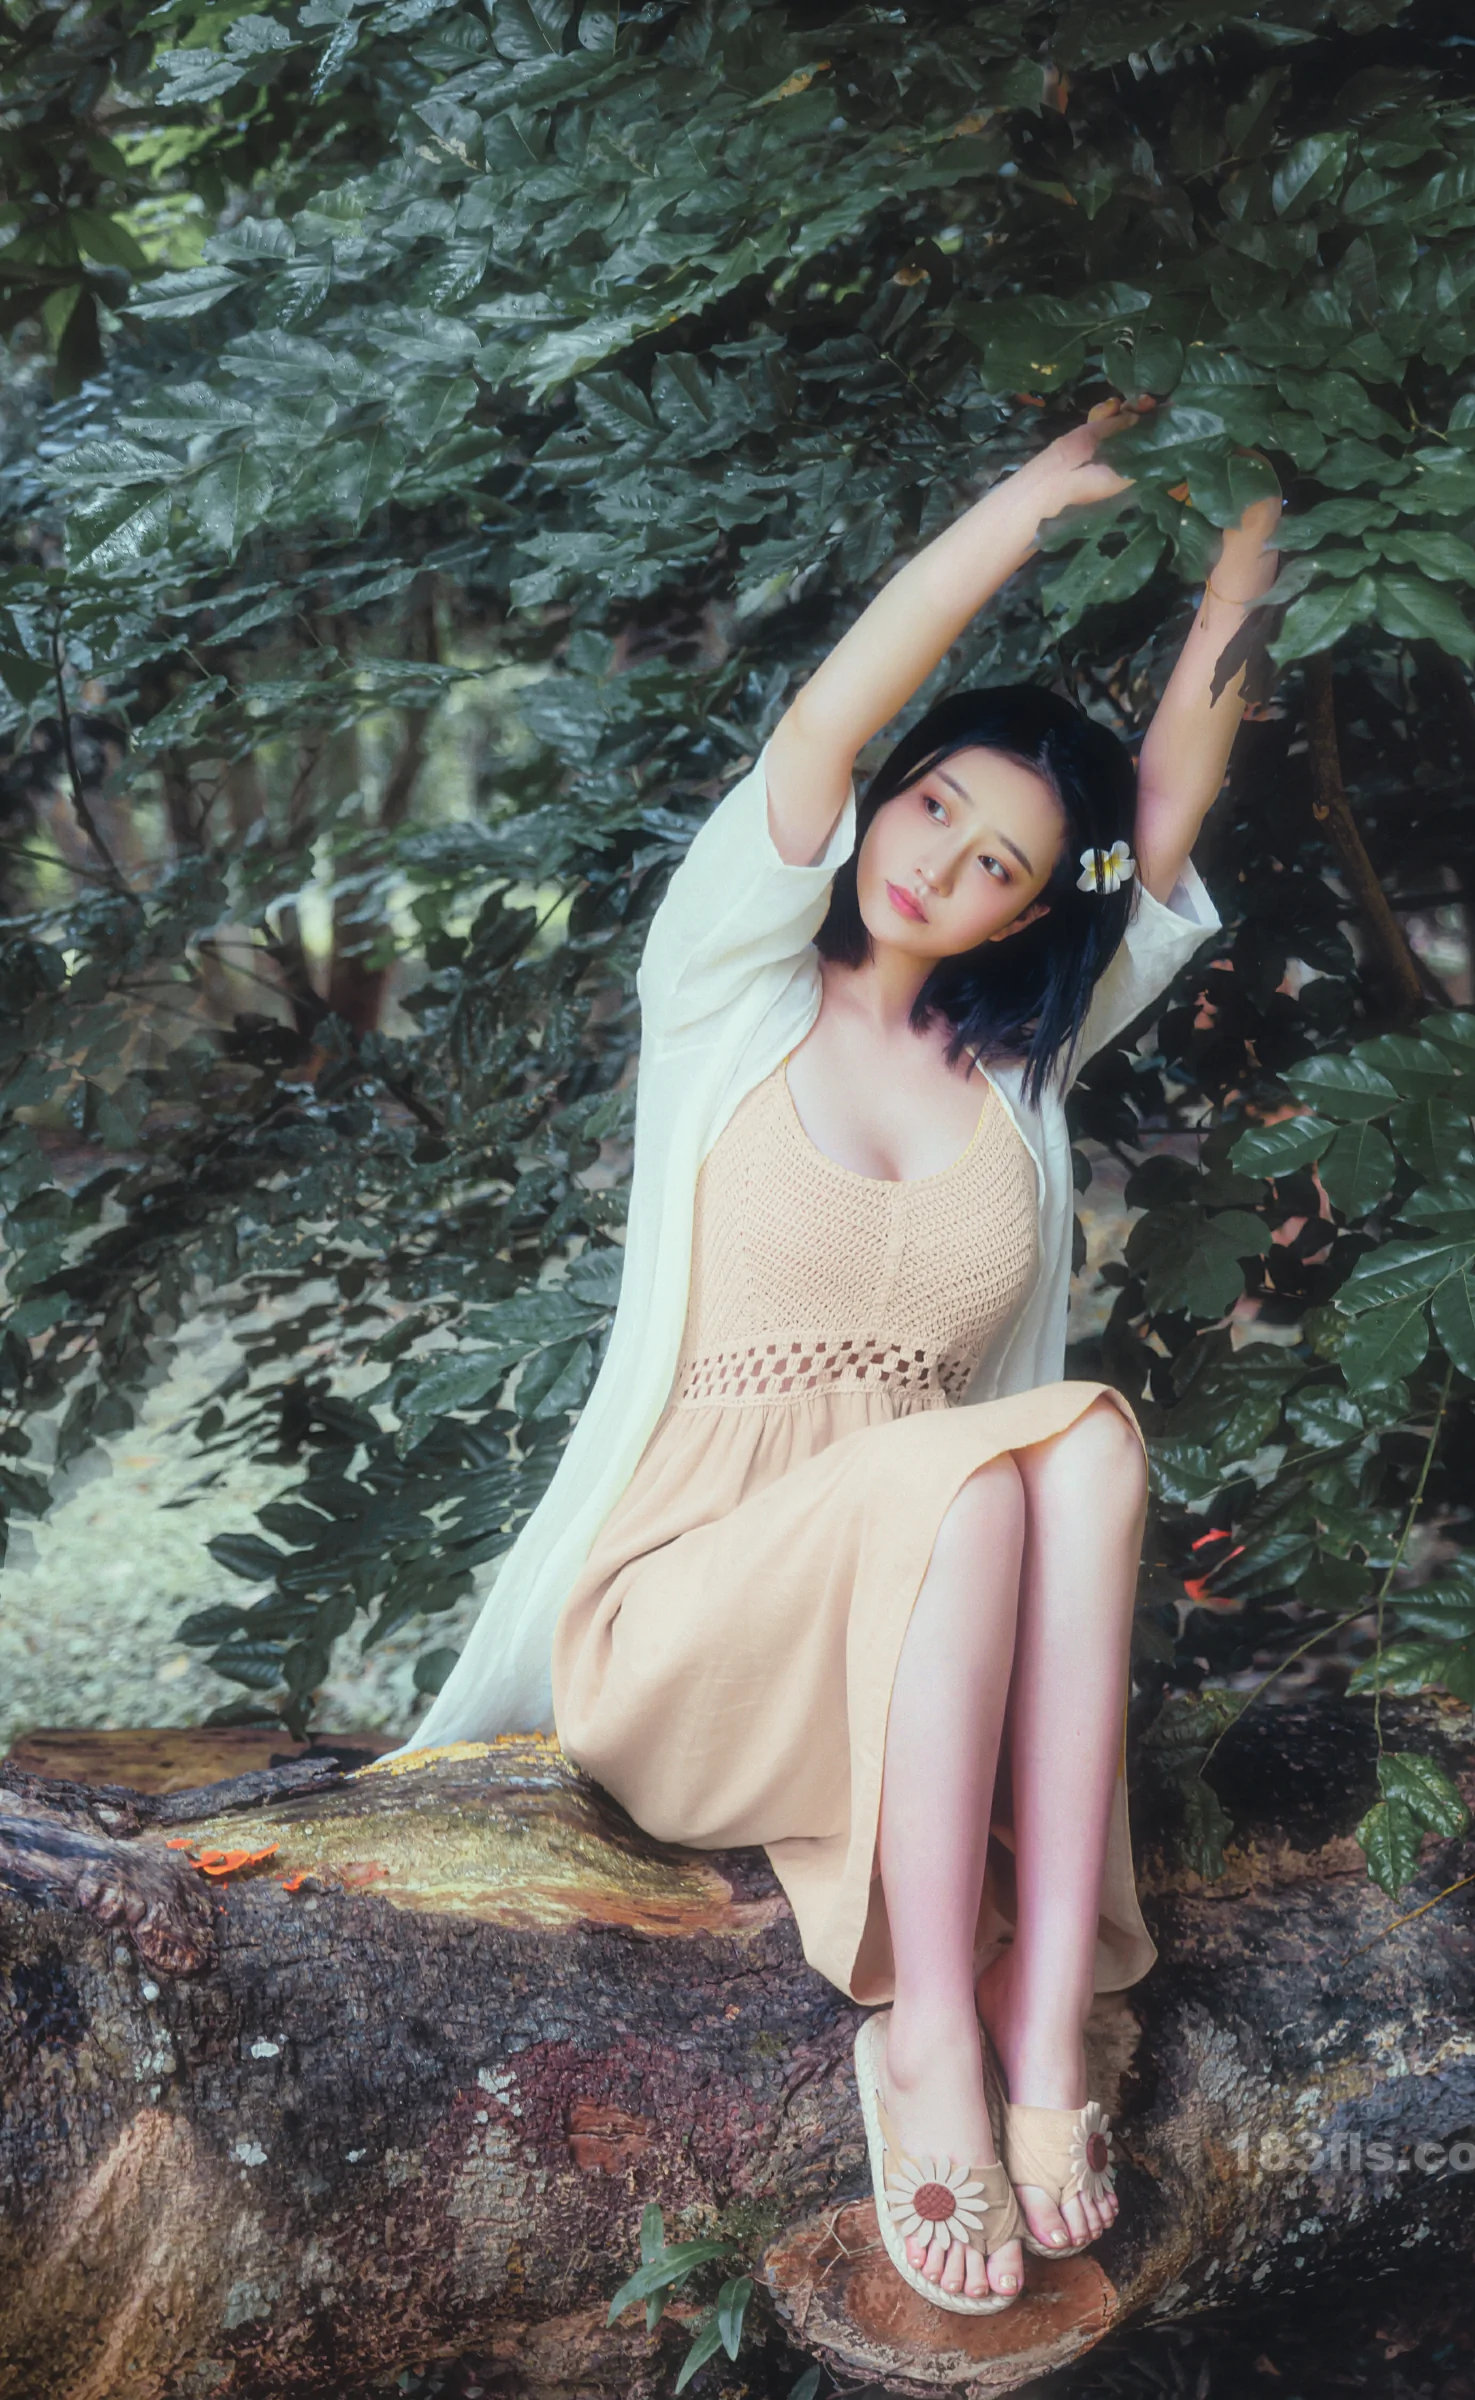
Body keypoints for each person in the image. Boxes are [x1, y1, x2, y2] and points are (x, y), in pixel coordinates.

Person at [385, 400, 1282, 2315]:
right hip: (692, 1631)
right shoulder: (726, 985)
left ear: (1037, 913)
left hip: (928, 1615)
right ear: (892, 795)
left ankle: (1044, 2028)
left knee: (1083, 1445)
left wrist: (1259, 542)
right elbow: (819, 720)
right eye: (935, 805)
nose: (943, 863)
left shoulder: (1021, 1065)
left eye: (1002, 863)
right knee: (981, 1478)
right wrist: (1026, 508)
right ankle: (927, 2033)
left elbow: (1168, 816)